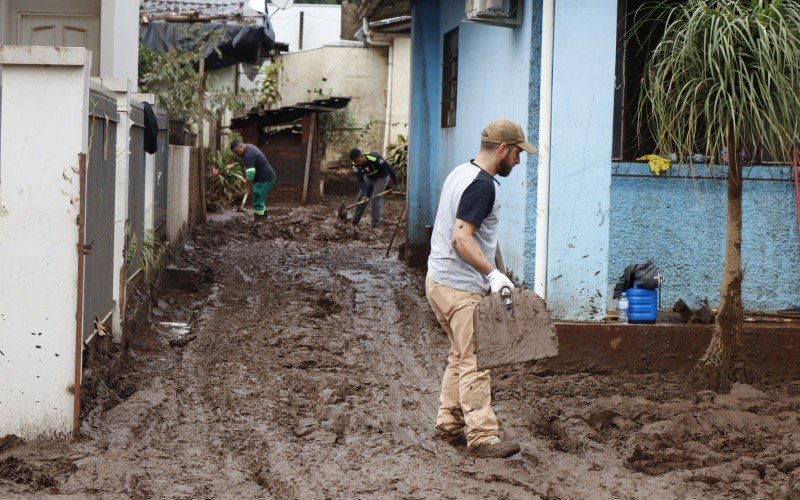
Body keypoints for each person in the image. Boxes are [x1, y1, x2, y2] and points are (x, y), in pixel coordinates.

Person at [425, 119, 536, 459]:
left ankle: (449, 424)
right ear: (502, 149)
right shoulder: (483, 186)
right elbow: (461, 237)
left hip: (438, 282)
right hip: (459, 289)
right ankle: (483, 438)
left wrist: (500, 275)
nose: (519, 160)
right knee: (476, 361)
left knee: (460, 355)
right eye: (517, 152)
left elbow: (483, 238)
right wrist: (491, 274)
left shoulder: (461, 172)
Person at [348, 148, 399, 228]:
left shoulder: (374, 158)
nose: (356, 163)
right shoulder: (355, 165)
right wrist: (365, 194)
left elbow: (389, 168)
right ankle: (355, 221)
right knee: (360, 198)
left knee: (375, 199)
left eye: (357, 161)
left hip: (382, 178)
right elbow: (361, 180)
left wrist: (396, 183)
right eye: (354, 162)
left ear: (362, 156)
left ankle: (375, 225)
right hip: (369, 178)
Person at [231, 140, 277, 225]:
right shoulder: (249, 146)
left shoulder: (248, 155)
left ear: (241, 147)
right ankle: (263, 219)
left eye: (237, 152)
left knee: (257, 199)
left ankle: (259, 222)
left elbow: (250, 173)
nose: (237, 154)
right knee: (260, 198)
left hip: (264, 179)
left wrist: (247, 187)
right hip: (265, 177)